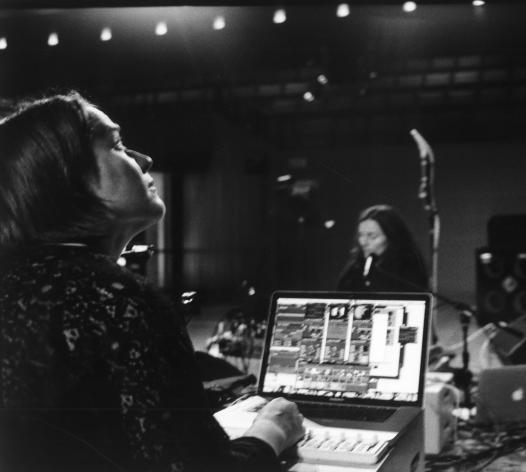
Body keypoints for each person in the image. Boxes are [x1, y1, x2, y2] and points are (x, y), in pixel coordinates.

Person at [0, 92, 304, 472]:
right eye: (117, 145)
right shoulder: (113, 297)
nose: (145, 160)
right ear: (64, 178)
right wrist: (271, 432)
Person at [337, 204, 428, 292]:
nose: (363, 242)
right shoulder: (355, 270)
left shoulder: (408, 270)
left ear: (391, 237)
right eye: (360, 235)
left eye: (372, 236)